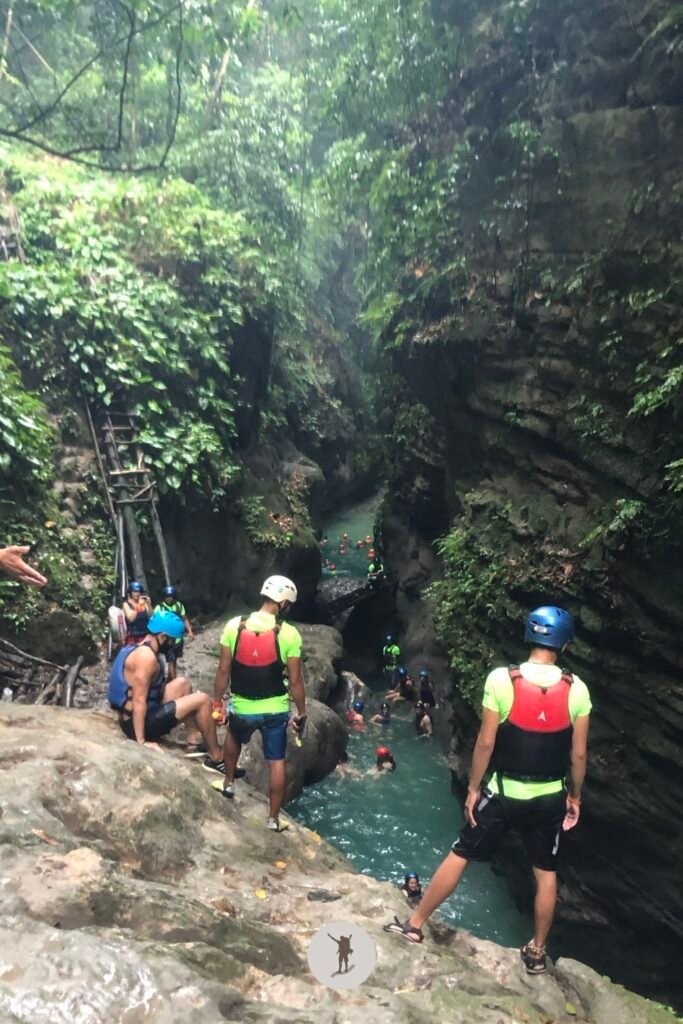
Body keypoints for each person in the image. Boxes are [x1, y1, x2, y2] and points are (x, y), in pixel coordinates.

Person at [384, 605, 591, 976]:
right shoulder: (577, 689)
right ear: (564, 643)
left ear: (529, 635)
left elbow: (485, 743)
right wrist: (574, 797)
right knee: (545, 872)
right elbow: (577, 753)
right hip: (549, 797)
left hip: (504, 792)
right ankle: (537, 953)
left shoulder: (502, 680)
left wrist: (474, 789)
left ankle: (414, 925)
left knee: (461, 853)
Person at [211, 575, 306, 832]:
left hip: (242, 705)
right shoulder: (289, 634)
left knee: (234, 737)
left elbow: (223, 670)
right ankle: (273, 820)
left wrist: (217, 702)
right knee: (276, 761)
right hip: (275, 708)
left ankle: (228, 783)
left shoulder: (234, 626)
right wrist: (302, 712)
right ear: (283, 603)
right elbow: (296, 680)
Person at [107, 609, 224, 770]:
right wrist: (141, 741)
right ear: (162, 636)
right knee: (202, 699)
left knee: (182, 683)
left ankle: (194, 739)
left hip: (143, 712)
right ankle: (217, 758)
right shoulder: (146, 658)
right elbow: (139, 701)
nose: (172, 646)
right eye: (171, 641)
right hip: (136, 725)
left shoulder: (138, 646)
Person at [155, 585, 194, 681]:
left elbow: (184, 619)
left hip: (178, 638)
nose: (169, 598)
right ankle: (174, 681)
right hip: (167, 639)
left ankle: (170, 678)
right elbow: (155, 622)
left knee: (174, 659)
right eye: (167, 596)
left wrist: (190, 631)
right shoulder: (159, 608)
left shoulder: (179, 606)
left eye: (171, 596)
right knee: (171, 660)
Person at [123, 581, 152, 646]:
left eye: (139, 592)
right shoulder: (126, 604)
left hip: (145, 635)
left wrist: (149, 605)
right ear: (131, 593)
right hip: (133, 636)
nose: (137, 594)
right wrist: (138, 606)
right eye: (135, 592)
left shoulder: (143, 603)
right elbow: (131, 618)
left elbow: (151, 617)